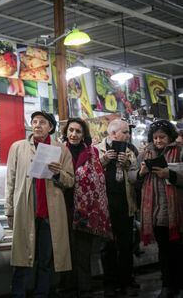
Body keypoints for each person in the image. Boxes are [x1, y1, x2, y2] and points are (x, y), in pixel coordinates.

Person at [5, 110, 74, 298]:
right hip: (25, 210)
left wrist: (58, 173)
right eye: (34, 121)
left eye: (42, 122)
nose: (37, 125)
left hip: (49, 215)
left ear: (50, 127)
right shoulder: (18, 147)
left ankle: (41, 294)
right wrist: (9, 210)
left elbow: (70, 181)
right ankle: (18, 293)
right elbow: (10, 180)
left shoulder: (61, 150)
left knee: (45, 259)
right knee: (21, 258)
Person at [129, 120, 183, 298]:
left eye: (162, 137)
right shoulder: (145, 153)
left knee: (178, 250)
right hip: (156, 212)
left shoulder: (180, 150)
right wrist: (141, 173)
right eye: (155, 137)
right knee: (164, 251)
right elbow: (132, 175)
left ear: (170, 137)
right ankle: (167, 285)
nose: (159, 141)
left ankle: (178, 284)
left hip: (177, 211)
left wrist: (170, 174)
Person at [62, 118, 112, 298]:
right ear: (66, 132)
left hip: (86, 210)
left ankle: (84, 289)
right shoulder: (59, 151)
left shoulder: (91, 152)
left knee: (83, 252)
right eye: (71, 130)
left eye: (78, 131)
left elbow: (98, 179)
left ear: (84, 134)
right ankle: (68, 288)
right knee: (65, 249)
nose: (74, 134)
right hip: (64, 207)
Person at [97, 119, 138, 297]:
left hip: (126, 205)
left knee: (126, 246)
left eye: (128, 133)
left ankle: (126, 282)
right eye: (125, 132)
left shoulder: (130, 150)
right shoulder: (96, 149)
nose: (128, 136)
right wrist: (103, 161)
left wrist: (127, 165)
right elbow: (89, 173)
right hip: (105, 206)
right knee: (108, 247)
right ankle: (109, 284)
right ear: (113, 134)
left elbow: (136, 177)